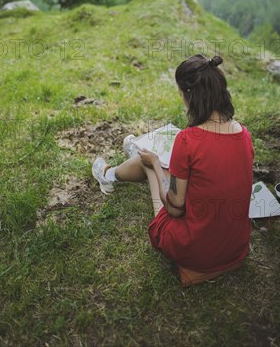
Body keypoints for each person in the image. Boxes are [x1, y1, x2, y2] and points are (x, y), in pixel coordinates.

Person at [92, 54, 254, 284]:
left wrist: (157, 166)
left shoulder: (188, 140)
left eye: (181, 95)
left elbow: (175, 209)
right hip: (235, 246)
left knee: (152, 166)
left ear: (190, 96)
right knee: (162, 165)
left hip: (197, 250)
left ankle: (111, 174)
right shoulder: (243, 134)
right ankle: (129, 159)